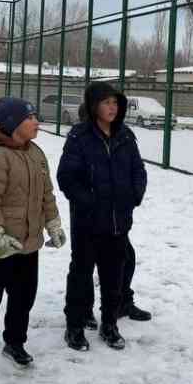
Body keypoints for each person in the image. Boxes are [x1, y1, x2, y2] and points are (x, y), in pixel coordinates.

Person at [0, 96, 65, 379]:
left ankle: (14, 342)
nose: (36, 122)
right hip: (0, 247)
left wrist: (52, 223)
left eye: (35, 117)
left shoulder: (36, 153)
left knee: (23, 296)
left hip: (29, 243)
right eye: (30, 118)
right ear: (13, 123)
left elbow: (46, 194)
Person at [57, 82, 147, 352]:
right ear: (94, 105)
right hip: (87, 222)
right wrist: (89, 202)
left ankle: (110, 324)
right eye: (107, 102)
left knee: (113, 275)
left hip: (118, 221)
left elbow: (138, 171)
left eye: (115, 103)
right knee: (81, 273)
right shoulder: (79, 136)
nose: (112, 107)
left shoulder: (126, 136)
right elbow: (67, 177)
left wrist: (133, 197)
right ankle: (74, 326)